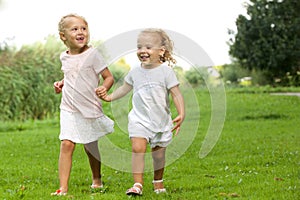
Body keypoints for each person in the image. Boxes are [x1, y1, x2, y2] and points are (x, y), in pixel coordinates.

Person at [96, 28, 185, 196]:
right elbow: (124, 88)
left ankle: (158, 182)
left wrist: (182, 113)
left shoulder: (166, 72)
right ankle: (137, 184)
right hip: (139, 119)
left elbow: (176, 94)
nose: (143, 51)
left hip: (161, 121)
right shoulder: (135, 71)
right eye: (139, 47)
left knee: (158, 156)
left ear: (161, 51)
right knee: (138, 148)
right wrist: (109, 97)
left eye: (149, 47)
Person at [51, 14, 114, 196]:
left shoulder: (93, 54)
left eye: (83, 29)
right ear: (63, 36)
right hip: (69, 107)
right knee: (67, 144)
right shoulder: (64, 57)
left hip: (89, 107)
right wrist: (61, 83)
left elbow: (108, 76)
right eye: (75, 29)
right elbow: (71, 75)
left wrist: (104, 87)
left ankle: (97, 179)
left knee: (90, 145)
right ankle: (63, 188)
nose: (81, 32)